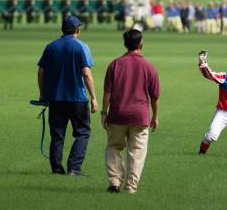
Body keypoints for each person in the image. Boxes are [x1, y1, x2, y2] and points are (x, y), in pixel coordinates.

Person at [37, 16, 98, 176]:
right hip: (77, 98)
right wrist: (94, 97)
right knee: (83, 133)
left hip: (55, 98)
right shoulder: (81, 46)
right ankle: (74, 168)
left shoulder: (51, 47)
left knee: (57, 135)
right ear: (78, 29)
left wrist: (43, 94)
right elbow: (86, 73)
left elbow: (41, 71)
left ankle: (56, 169)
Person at [102, 29, 160, 193]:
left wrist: (104, 112)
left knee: (113, 147)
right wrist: (155, 117)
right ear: (141, 43)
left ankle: (114, 182)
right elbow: (154, 96)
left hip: (117, 115)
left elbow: (107, 92)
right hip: (140, 116)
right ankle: (131, 186)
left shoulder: (115, 64)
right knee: (137, 152)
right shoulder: (148, 66)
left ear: (124, 44)